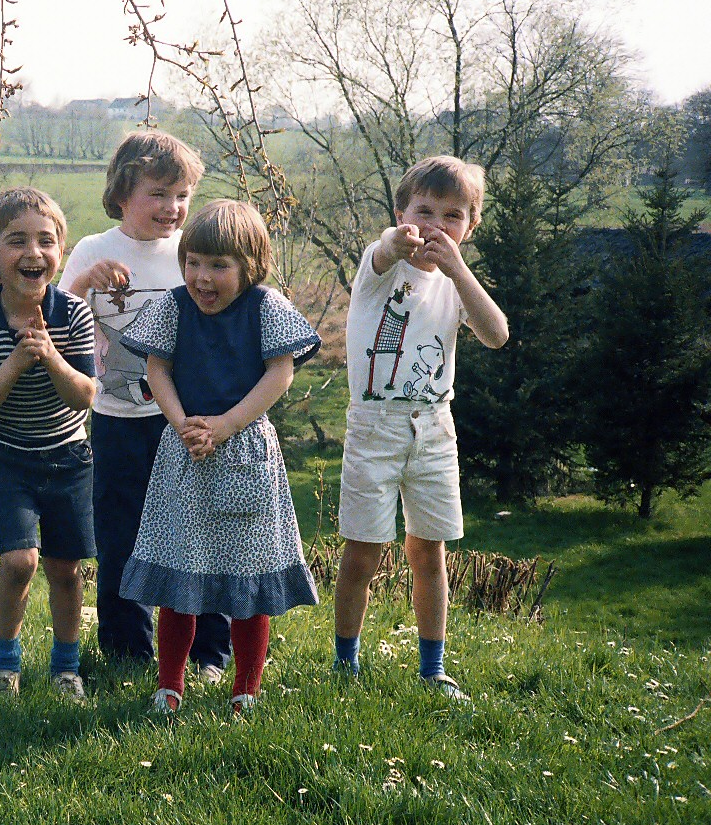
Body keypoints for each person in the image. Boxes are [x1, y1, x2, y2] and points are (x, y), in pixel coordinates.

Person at [120, 199, 321, 714]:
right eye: (193, 262)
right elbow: (157, 370)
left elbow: (281, 373)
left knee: (249, 582)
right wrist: (181, 422)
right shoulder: (171, 306)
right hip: (183, 454)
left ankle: (245, 689)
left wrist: (228, 424)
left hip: (245, 452)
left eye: (218, 266)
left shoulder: (266, 306)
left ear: (250, 267)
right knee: (177, 575)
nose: (202, 277)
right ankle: (169, 685)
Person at [333, 156, 509, 700]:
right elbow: (385, 248)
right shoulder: (379, 266)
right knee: (363, 550)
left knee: (428, 551)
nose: (436, 225)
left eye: (453, 216)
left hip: (434, 428)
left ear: (470, 227)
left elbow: (496, 334)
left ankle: (432, 667)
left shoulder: (457, 281)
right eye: (424, 211)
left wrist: (459, 269)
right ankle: (346, 661)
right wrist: (396, 240)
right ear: (401, 213)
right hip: (375, 426)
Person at [59, 129, 230, 679]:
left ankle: (209, 651)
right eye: (158, 193)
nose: (172, 207)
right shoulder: (93, 249)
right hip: (113, 422)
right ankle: (126, 652)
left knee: (198, 532)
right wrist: (86, 280)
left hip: (180, 420)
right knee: (120, 535)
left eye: (182, 194)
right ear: (121, 191)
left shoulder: (190, 255)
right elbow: (58, 320)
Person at [0, 187, 97, 700]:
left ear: (60, 251)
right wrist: (14, 364)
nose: (33, 253)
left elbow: (83, 395)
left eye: (46, 240)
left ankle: (66, 668)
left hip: (69, 457)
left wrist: (51, 357)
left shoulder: (74, 314)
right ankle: (3, 666)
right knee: (19, 562)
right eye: (17, 242)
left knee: (66, 568)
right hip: (7, 458)